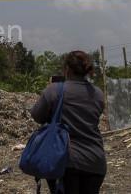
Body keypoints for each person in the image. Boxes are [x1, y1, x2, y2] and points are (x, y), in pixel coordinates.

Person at [30, 50, 106, 194]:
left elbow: (37, 116)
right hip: (95, 162)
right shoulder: (98, 94)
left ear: (67, 69)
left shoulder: (54, 90)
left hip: (64, 162)